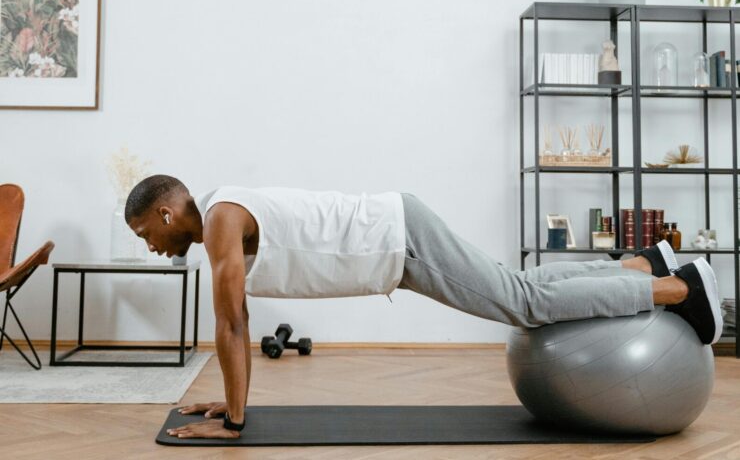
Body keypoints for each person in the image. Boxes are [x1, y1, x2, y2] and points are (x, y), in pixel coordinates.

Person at [125, 175, 722, 440]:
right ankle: (645, 265)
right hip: (396, 240)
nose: (150, 247)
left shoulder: (222, 220)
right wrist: (226, 399)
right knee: (519, 285)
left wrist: (233, 421)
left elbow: (232, 324)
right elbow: (233, 327)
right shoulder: (221, 216)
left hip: (398, 241)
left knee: (524, 303)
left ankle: (680, 291)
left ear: (167, 215)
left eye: (145, 234)